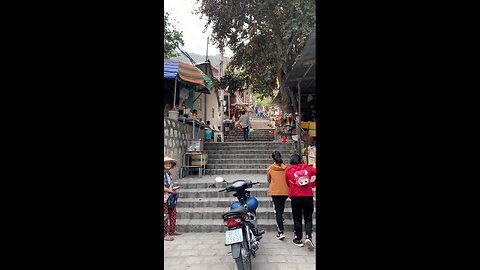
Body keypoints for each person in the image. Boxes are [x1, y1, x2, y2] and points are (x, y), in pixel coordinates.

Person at [285, 153, 317, 249]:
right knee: (308, 218)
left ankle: (298, 239)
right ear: (301, 160)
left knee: (297, 218)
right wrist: (312, 184)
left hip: (296, 197)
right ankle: (308, 237)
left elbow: (287, 183)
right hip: (308, 196)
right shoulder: (308, 169)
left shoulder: (288, 171)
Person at [267, 151, 289, 240]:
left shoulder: (270, 168)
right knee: (281, 206)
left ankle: (280, 232)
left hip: (275, 191)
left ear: (273, 158)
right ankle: (281, 218)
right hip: (285, 191)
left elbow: (269, 180)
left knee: (277, 211)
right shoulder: (286, 168)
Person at [164, 156, 182, 241]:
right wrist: (171, 190)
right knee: (165, 216)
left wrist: (173, 188)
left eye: (169, 163)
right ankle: (165, 235)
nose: (168, 164)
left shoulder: (168, 173)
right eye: (166, 163)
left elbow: (168, 185)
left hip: (169, 197)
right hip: (165, 197)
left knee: (173, 214)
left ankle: (172, 230)